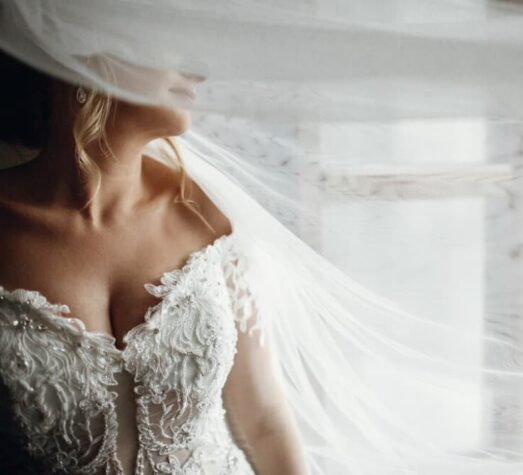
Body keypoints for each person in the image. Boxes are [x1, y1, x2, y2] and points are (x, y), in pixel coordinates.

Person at [0, 50, 309, 474]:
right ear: (89, 52)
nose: (198, 70)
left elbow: (265, 420)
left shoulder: (209, 215)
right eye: (163, 43)